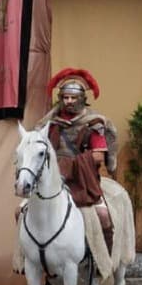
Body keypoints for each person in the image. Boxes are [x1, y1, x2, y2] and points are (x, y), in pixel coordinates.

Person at [36, 67, 116, 251]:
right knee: (23, 212)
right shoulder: (51, 123)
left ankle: (103, 259)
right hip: (54, 181)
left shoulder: (93, 123)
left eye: (73, 98)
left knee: (103, 215)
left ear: (81, 99)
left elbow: (97, 157)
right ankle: (30, 259)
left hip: (84, 181)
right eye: (65, 97)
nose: (69, 101)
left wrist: (68, 164)